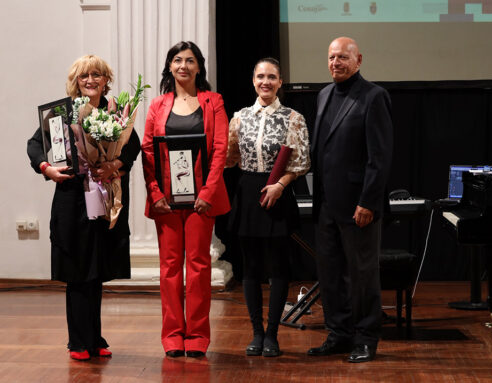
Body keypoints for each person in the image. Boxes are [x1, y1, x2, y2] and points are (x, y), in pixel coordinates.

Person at [27, 55, 141, 361]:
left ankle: (95, 338)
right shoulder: (62, 112)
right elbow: (35, 144)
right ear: (75, 82)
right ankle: (77, 341)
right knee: (78, 272)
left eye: (96, 75)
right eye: (83, 77)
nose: (89, 81)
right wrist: (46, 168)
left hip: (104, 198)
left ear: (106, 80)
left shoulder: (116, 111)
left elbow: (132, 145)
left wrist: (116, 163)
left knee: (96, 271)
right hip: (72, 201)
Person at [141, 41, 230, 358]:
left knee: (198, 266)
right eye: (177, 60)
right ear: (169, 67)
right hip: (166, 200)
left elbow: (220, 150)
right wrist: (155, 193)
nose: (183, 66)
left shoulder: (213, 101)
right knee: (169, 269)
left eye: (190, 60)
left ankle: (197, 335)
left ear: (199, 67)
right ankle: (172, 335)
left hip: (201, 201)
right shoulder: (157, 105)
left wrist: (207, 193)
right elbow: (148, 153)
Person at [307, 37, 393, 362]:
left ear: (359, 60)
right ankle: (339, 334)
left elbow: (379, 157)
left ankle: (366, 338)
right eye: (331, 57)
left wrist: (368, 202)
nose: (335, 63)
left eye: (343, 57)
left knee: (362, 275)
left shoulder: (373, 97)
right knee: (329, 274)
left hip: (359, 206)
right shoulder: (324, 95)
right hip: (326, 204)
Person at [226, 58, 310, 357]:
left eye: (271, 77)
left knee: (277, 267)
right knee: (250, 269)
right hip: (248, 192)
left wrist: (281, 184)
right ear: (253, 80)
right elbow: (230, 157)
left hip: (278, 192)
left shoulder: (293, 118)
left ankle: (273, 335)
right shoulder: (239, 117)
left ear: (280, 82)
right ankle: (256, 333)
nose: (266, 82)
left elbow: (300, 162)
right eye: (260, 76)